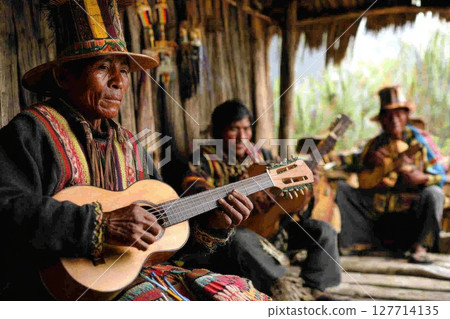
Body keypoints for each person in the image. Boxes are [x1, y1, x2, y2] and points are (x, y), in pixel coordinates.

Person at [0, 0, 269, 301]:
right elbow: (6, 210)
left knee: (240, 298)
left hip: (135, 276)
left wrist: (212, 224)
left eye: (125, 71)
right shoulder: (32, 132)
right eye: (103, 68)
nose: (118, 81)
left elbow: (162, 239)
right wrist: (102, 224)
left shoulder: (130, 147)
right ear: (65, 77)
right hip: (47, 290)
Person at [180, 99, 341, 300]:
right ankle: (280, 286)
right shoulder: (203, 158)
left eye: (247, 129)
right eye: (233, 129)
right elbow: (193, 189)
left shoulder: (261, 155)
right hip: (231, 238)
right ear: (219, 131)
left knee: (323, 230)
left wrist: (302, 186)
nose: (242, 137)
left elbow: (280, 196)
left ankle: (315, 288)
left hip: (272, 231)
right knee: (241, 239)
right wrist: (238, 193)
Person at [336, 85, 447, 264]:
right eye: (388, 115)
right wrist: (368, 162)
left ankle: (419, 248)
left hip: (410, 223)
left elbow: (442, 175)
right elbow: (353, 162)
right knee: (342, 190)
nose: (394, 119)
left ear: (406, 116)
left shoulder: (420, 139)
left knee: (434, 194)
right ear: (381, 120)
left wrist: (423, 178)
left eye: (399, 113)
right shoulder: (375, 144)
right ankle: (359, 244)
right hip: (378, 222)